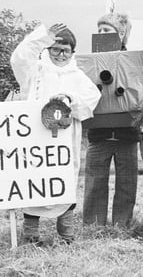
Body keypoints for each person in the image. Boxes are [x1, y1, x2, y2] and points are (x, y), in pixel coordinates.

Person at [11, 23, 101, 244]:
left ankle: (66, 235)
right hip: (36, 141)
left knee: (64, 182)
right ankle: (31, 234)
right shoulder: (36, 71)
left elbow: (92, 97)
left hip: (64, 143)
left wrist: (70, 99)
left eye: (66, 51)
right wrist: (44, 36)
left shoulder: (77, 75)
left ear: (72, 52)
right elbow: (19, 58)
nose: (61, 55)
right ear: (48, 49)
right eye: (56, 49)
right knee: (35, 183)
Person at [83, 11, 139, 228]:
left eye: (107, 30)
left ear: (121, 33)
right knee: (95, 181)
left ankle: (121, 224)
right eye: (99, 30)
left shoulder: (133, 59)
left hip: (127, 133)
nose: (101, 33)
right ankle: (93, 225)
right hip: (99, 133)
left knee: (127, 182)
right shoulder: (90, 61)